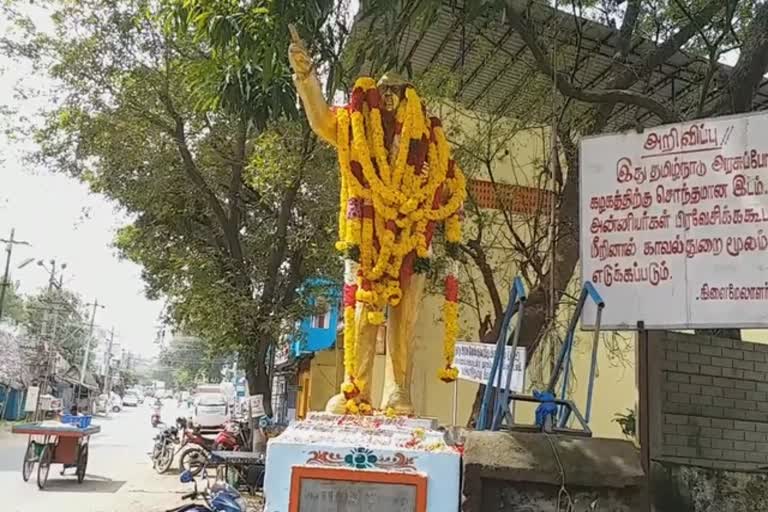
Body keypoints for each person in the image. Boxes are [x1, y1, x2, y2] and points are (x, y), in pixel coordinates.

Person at [288, 27, 465, 415]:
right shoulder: (356, 128)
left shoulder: (428, 142)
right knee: (358, 311)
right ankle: (356, 389)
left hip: (413, 236)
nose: (388, 99)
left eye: (397, 92)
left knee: (406, 317)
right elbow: (320, 121)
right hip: (363, 234)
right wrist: (306, 78)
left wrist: (445, 201)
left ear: (409, 99)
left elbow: (449, 181)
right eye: (383, 92)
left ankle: (398, 390)